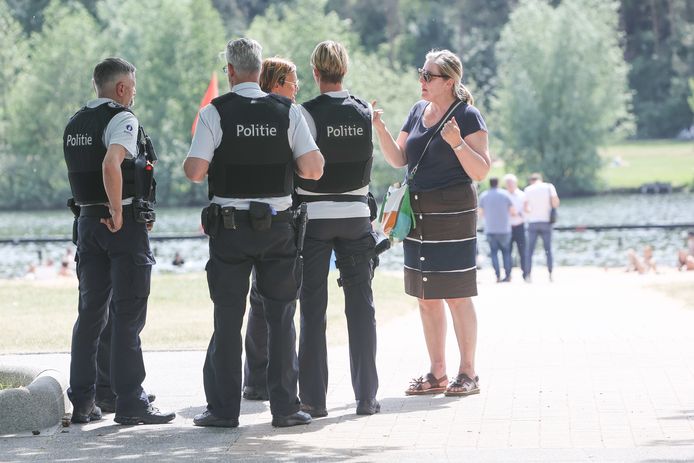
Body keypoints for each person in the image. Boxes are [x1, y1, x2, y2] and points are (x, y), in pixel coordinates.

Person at [183, 38, 324, 428]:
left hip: (229, 231)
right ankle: (284, 409)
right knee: (281, 317)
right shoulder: (287, 111)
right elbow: (314, 170)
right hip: (277, 228)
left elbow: (194, 172)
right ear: (260, 72)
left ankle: (224, 411)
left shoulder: (215, 112)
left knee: (227, 318)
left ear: (230, 70)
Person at [372, 49, 490, 397]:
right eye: (421, 73)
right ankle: (437, 373)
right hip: (418, 215)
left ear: (450, 81)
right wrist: (380, 128)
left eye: (429, 76)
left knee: (456, 294)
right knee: (426, 296)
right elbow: (399, 158)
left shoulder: (469, 116)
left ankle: (467, 372)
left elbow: (481, 171)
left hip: (453, 215)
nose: (421, 81)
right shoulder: (417, 111)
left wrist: (456, 145)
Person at [63, 57, 174, 425]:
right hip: (118, 225)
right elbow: (112, 164)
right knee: (128, 315)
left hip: (87, 223)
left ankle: (83, 400)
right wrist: (119, 210)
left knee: (91, 314)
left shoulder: (75, 122)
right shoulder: (122, 119)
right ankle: (131, 401)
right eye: (134, 89)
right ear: (122, 88)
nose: (134, 97)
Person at [294, 40, 381, 417]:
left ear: (315, 73)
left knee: (313, 310)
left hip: (314, 218)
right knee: (361, 308)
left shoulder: (304, 113)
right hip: (357, 217)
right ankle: (366, 397)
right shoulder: (364, 111)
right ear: (344, 69)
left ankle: (314, 400)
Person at [242, 56, 300, 403]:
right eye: (293, 83)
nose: (296, 90)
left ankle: (257, 379)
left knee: (258, 301)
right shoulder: (284, 117)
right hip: (277, 219)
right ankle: (271, 380)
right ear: (277, 83)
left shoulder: (247, 116)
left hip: (251, 219)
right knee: (275, 303)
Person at [524, 173, 560, 282]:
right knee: (548, 249)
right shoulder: (549, 187)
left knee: (530, 251)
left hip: (533, 222)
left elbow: (526, 208)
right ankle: (550, 274)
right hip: (546, 222)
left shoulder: (528, 189)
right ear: (541, 179)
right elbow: (555, 203)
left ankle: (528, 275)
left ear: (531, 181)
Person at [478, 177, 515, 282]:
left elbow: (480, 213)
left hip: (490, 229)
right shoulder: (505, 194)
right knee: (506, 253)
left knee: (494, 253)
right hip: (504, 229)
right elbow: (513, 211)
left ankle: (497, 276)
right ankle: (508, 275)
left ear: (490, 184)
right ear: (498, 183)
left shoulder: (484, 196)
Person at [503, 173, 529, 280]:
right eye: (507, 183)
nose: (509, 185)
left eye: (511, 183)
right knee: (507, 252)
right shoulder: (503, 196)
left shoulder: (522, 195)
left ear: (515, 183)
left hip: (520, 225)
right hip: (507, 227)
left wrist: (519, 214)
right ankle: (508, 275)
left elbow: (527, 210)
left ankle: (525, 274)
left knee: (522, 251)